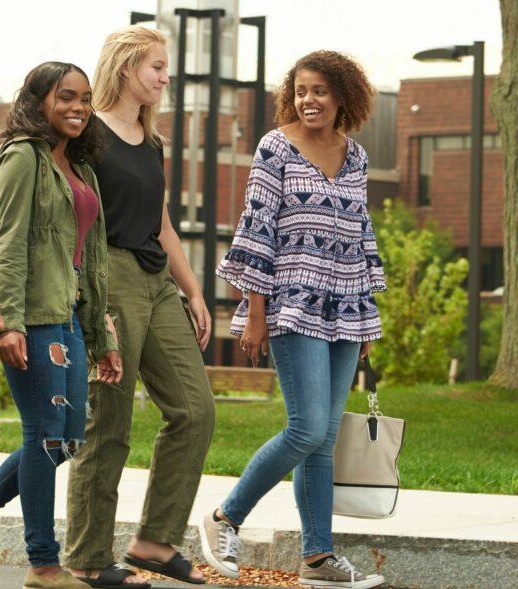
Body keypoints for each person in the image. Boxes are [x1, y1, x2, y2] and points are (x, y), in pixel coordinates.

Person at [0, 61, 123, 589]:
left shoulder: (79, 169)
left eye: (84, 98)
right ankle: (42, 565)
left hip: (65, 316)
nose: (77, 107)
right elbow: (11, 244)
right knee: (43, 435)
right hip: (28, 316)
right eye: (65, 97)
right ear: (39, 101)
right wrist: (7, 323)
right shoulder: (22, 158)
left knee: (66, 440)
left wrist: (101, 335)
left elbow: (90, 259)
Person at [200, 50, 387, 589]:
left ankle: (317, 559)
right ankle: (225, 517)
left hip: (346, 307)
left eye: (321, 91)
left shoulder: (356, 157)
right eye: (302, 90)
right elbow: (258, 227)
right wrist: (254, 310)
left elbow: (361, 234)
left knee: (322, 438)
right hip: (290, 304)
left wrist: (367, 319)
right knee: (306, 427)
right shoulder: (275, 147)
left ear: (343, 97)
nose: (309, 100)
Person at [64, 26, 216, 588]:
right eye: (157, 66)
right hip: (109, 275)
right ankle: (85, 557)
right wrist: (89, 301)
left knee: (195, 410)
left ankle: (154, 540)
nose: (165, 77)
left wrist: (193, 289)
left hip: (155, 279)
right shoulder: (86, 136)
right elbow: (73, 223)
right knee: (109, 420)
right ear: (127, 67)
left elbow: (161, 222)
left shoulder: (151, 141)